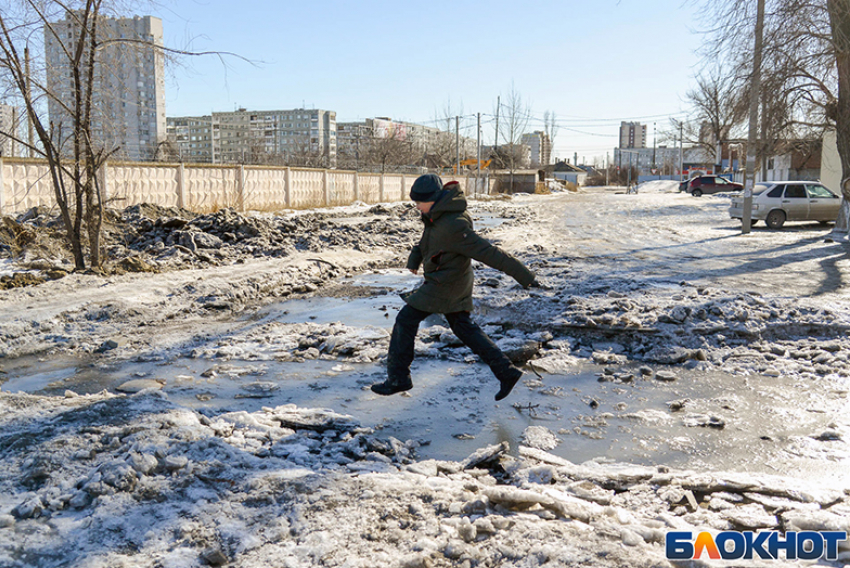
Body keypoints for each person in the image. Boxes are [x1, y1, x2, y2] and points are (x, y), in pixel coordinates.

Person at [371, 173, 538, 401]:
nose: (417, 207)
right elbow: (426, 241)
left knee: (405, 320)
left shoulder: (454, 224)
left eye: (420, 202)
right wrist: (414, 261)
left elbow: (489, 253)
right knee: (464, 328)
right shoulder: (438, 216)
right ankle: (506, 372)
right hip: (449, 281)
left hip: (444, 285)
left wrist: (525, 276)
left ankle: (398, 378)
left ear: (434, 198)